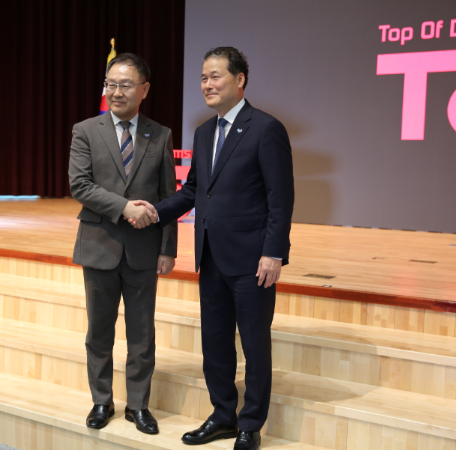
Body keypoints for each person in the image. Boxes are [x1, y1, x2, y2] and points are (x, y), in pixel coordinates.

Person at [131, 47, 294, 450]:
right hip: (211, 255)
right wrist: (154, 211)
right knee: (215, 342)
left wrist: (274, 252)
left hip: (253, 259)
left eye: (215, 76)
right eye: (203, 77)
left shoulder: (266, 128)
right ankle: (223, 415)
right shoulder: (204, 132)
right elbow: (192, 191)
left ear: (240, 80)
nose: (207, 84)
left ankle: (250, 424)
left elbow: (281, 197)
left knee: (254, 344)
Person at [68, 52, 178, 435]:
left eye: (125, 84)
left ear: (144, 89)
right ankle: (102, 401)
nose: (116, 91)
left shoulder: (159, 134)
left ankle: (138, 406)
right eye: (110, 84)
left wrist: (168, 248)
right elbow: (79, 185)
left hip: (145, 251)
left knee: (141, 332)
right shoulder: (85, 130)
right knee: (99, 331)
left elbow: (168, 197)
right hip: (99, 245)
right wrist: (125, 207)